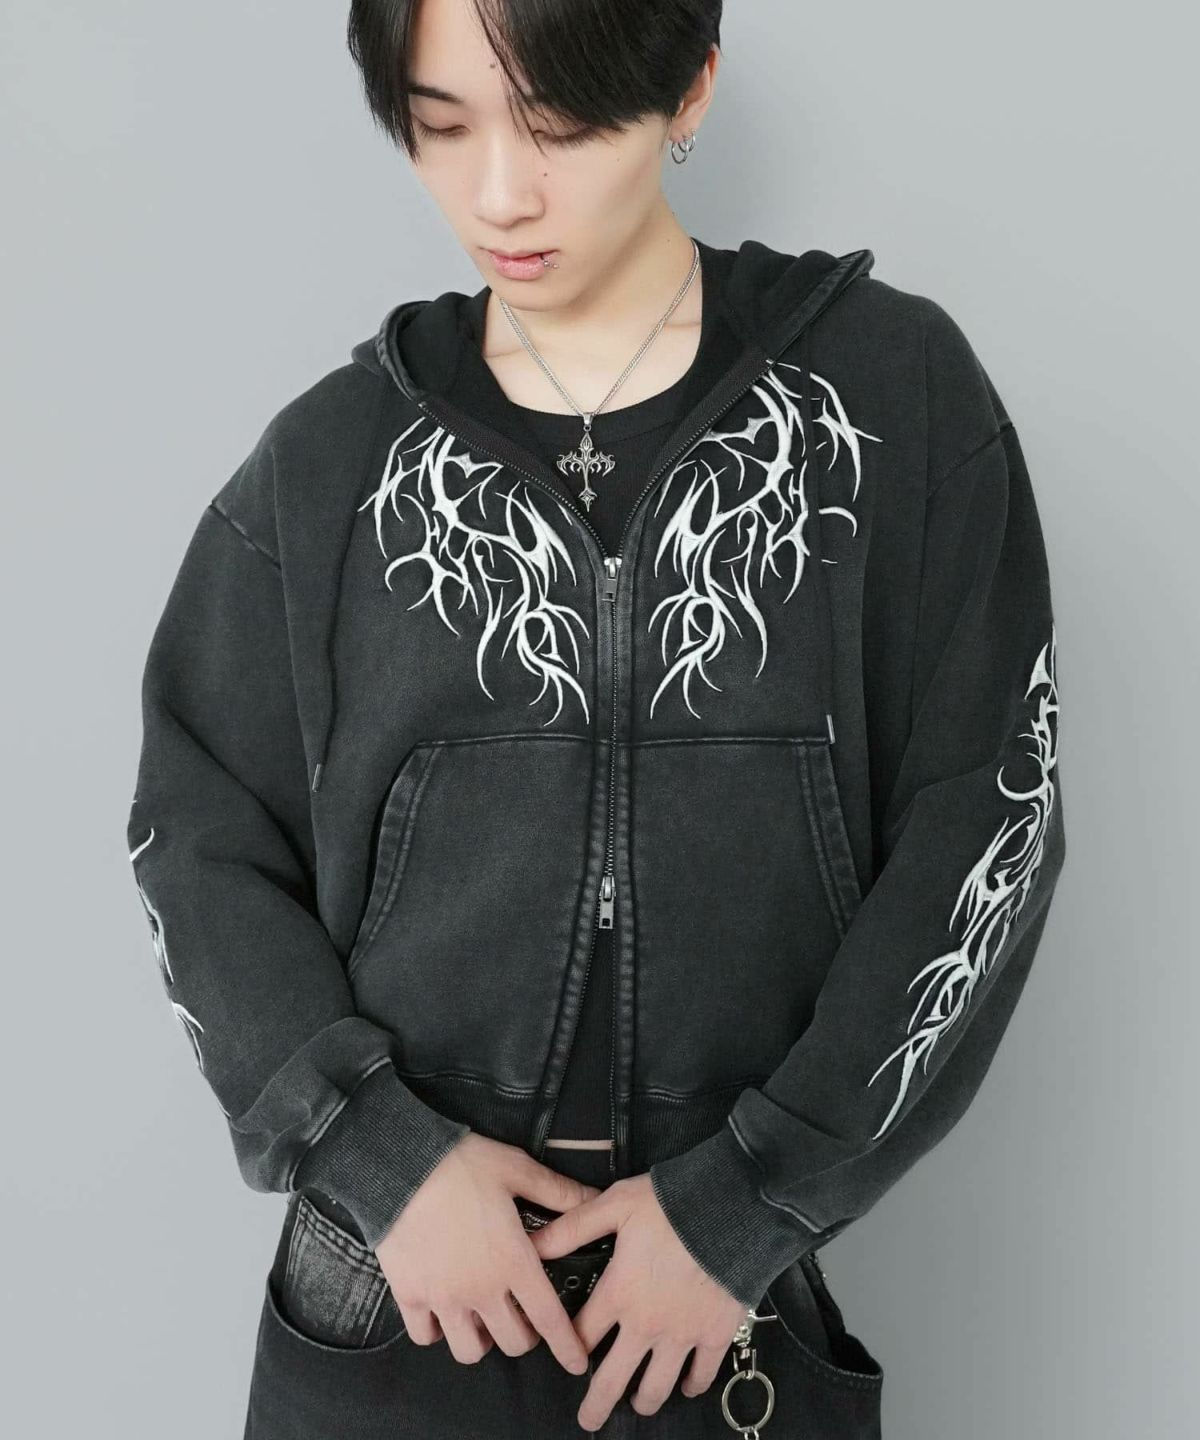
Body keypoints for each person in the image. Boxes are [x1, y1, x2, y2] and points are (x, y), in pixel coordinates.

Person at [124, 1, 1067, 1435]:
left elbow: (990, 814)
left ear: (689, 90)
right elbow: (194, 834)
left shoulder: (893, 405)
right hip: (392, 1289)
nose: (500, 194)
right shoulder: (330, 463)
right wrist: (373, 1157)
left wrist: (751, 1200)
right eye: (442, 127)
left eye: (559, 127)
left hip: (716, 1312)